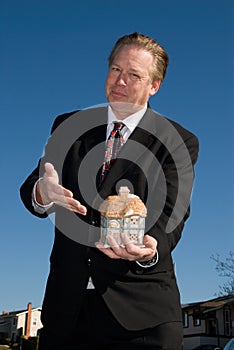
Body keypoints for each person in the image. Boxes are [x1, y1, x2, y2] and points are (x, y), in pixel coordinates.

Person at [20, 32, 199, 350]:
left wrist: (149, 245)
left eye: (134, 75)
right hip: (67, 314)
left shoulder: (177, 141)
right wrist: (42, 192)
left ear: (153, 86)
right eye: (116, 69)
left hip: (140, 316)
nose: (120, 81)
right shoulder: (69, 126)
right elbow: (32, 188)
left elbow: (172, 212)